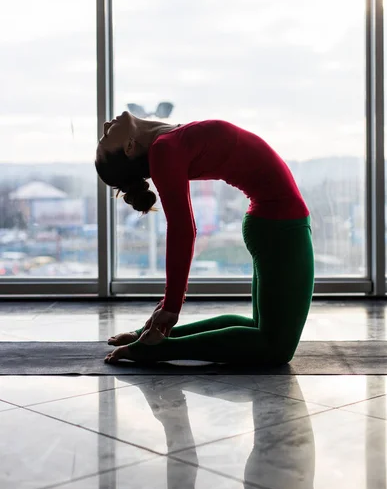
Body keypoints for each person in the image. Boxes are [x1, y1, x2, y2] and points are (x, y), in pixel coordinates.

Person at [95, 112, 314, 365]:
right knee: (276, 349)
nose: (106, 125)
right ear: (130, 147)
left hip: (275, 222)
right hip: (279, 226)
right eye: (106, 136)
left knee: (260, 328)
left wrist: (156, 320)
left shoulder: (166, 140)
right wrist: (171, 305)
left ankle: (145, 340)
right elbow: (181, 228)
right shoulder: (164, 150)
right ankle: (156, 350)